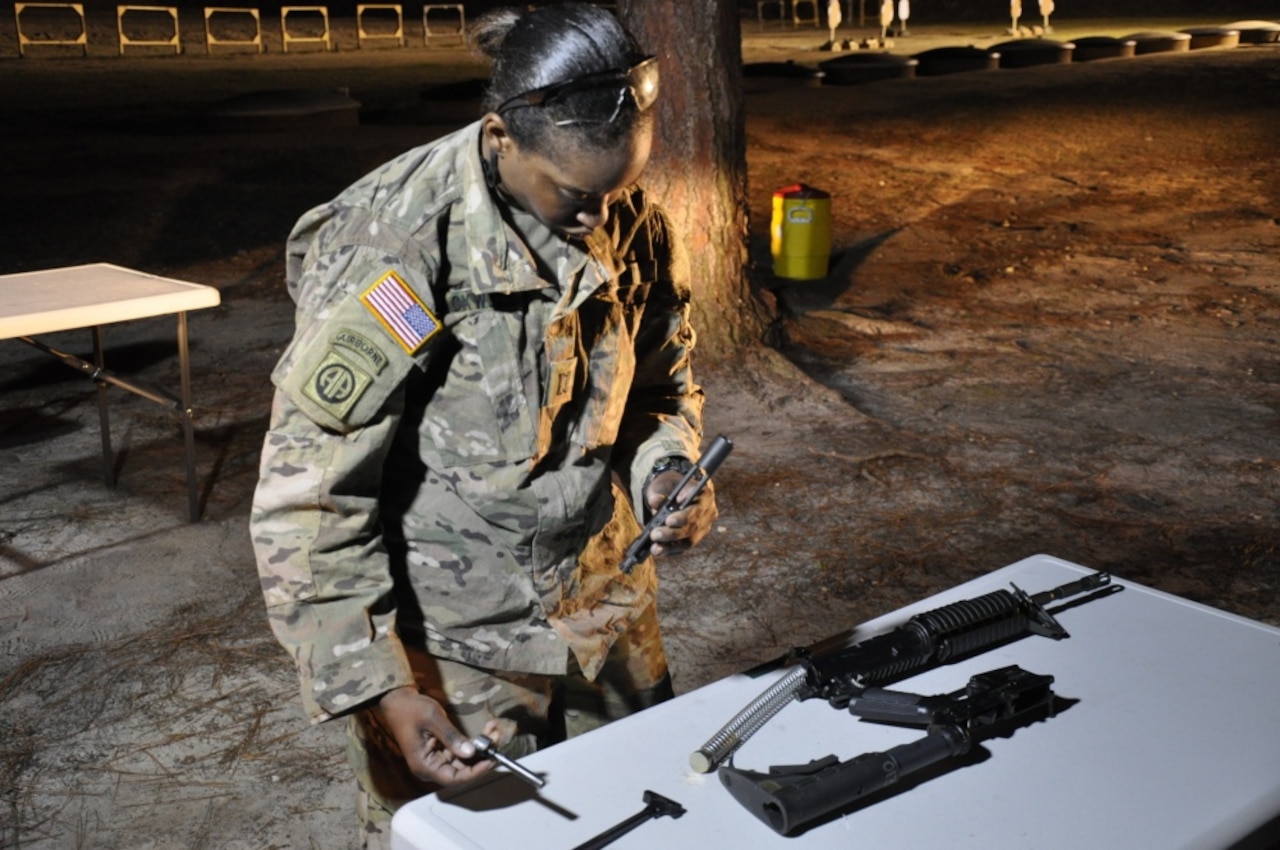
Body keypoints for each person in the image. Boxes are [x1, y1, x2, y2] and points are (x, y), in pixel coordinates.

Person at [249, 3, 718, 846]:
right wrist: (380, 684)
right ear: (500, 137)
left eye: (616, 191)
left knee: (649, 822)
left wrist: (665, 469)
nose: (599, 222)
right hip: (455, 654)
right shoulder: (396, 246)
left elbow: (660, 388)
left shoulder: (628, 221)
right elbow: (311, 496)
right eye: (577, 195)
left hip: (604, 621)